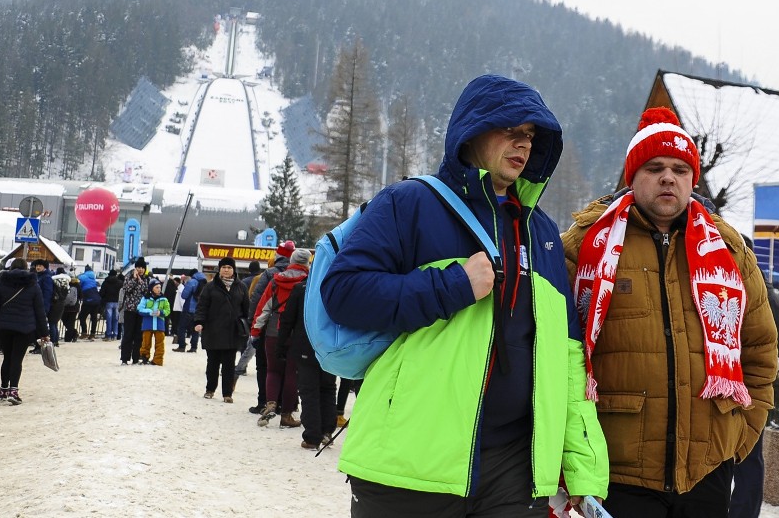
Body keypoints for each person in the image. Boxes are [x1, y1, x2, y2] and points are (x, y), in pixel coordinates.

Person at [322, 74, 609, 516]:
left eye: (531, 136)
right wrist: (453, 284)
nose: (524, 145)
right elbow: (343, 292)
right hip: (409, 464)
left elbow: (568, 363)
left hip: (514, 473)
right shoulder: (410, 204)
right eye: (511, 131)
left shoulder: (543, 234)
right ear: (472, 131)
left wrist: (583, 470)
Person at [561, 106, 778, 517]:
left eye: (680, 169)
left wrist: (739, 436)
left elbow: (760, 349)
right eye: (655, 167)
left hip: (706, 471)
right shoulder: (585, 246)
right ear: (632, 177)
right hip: (617, 471)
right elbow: (556, 351)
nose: (668, 178)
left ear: (692, 180)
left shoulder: (729, 253)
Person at [729, 237, 779, 518]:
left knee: (718, 456)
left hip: (729, 382)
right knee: (750, 458)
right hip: (758, 385)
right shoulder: (775, 299)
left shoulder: (733, 287)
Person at [250, 248, 311, 427]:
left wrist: (255, 331)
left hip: (273, 330)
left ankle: (270, 404)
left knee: (273, 370)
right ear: (307, 263)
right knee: (292, 372)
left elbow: (263, 308)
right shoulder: (309, 282)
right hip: (297, 331)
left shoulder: (276, 281)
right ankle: (286, 415)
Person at [277, 275, 337, 449]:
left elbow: (287, 319)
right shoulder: (335, 285)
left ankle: (312, 437)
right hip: (329, 346)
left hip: (305, 346)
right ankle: (327, 431)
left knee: (309, 391)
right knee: (328, 388)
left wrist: (281, 345)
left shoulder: (301, 289)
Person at [245, 240, 295, 414]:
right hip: (293, 329)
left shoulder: (269, 274)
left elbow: (258, 300)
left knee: (265, 367)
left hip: (269, 328)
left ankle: (264, 402)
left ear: (278, 256)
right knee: (288, 368)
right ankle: (286, 404)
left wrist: (253, 324)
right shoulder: (303, 276)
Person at [193, 257, 249, 403]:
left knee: (229, 364)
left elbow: (247, 309)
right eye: (223, 267)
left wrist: (247, 324)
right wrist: (199, 322)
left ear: (234, 269)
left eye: (229, 267)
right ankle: (210, 389)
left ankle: (227, 393)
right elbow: (202, 306)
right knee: (213, 362)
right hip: (213, 330)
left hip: (232, 331)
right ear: (219, 269)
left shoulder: (241, 287)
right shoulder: (210, 287)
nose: (226, 270)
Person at [0, 258, 50, 405]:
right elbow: (39, 311)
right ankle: (13, 391)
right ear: (27, 268)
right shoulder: (33, 284)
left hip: (4, 327)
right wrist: (44, 333)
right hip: (24, 327)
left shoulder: (2, 283)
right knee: (17, 359)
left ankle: (3, 390)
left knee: (7, 357)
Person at [120, 258, 150, 365]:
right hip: (130, 309)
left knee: (139, 335)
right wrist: (134, 279)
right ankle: (124, 358)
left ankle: (136, 358)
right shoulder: (128, 276)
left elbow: (146, 292)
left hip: (141, 310)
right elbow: (126, 289)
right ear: (135, 268)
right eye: (138, 267)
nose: (140, 270)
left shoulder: (146, 279)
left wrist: (141, 280)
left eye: (142, 268)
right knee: (128, 334)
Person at [137, 278, 170, 366]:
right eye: (157, 287)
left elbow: (168, 310)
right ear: (151, 288)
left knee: (160, 344)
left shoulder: (164, 299)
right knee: (146, 343)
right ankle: (144, 358)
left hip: (159, 325)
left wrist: (161, 313)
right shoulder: (145, 298)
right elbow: (140, 309)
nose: (159, 289)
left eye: (160, 287)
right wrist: (150, 312)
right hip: (147, 324)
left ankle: (157, 360)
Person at [175, 268, 206, 353]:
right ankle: (193, 347)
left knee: (181, 327)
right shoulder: (205, 282)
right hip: (199, 310)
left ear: (192, 275)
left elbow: (184, 295)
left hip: (188, 309)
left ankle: (181, 346)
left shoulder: (192, 282)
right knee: (195, 329)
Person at [29, 259, 54, 354]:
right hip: (36, 306)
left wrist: (44, 307)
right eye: (37, 265)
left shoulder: (46, 277)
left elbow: (47, 293)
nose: (38, 267)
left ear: (44, 267)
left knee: (40, 328)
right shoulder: (38, 276)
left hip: (42, 306)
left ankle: (40, 347)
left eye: (40, 265)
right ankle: (37, 346)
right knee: (36, 327)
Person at [78, 265, 102, 340]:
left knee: (82, 317)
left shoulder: (82, 277)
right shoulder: (93, 277)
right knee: (94, 318)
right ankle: (92, 334)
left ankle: (84, 332)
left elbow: (79, 285)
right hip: (96, 299)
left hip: (88, 299)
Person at [49, 267, 71, 346]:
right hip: (62, 303)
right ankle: (56, 340)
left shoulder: (53, 280)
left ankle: (53, 340)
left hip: (54, 303)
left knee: (51, 323)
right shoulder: (67, 281)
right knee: (55, 323)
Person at [99, 269, 123, 342]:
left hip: (108, 301)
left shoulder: (106, 282)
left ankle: (108, 335)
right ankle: (115, 335)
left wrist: (103, 299)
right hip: (117, 301)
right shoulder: (120, 283)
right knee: (116, 319)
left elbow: (102, 292)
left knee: (109, 319)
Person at [61, 276, 81, 342]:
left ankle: (69, 336)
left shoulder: (70, 288)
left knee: (65, 321)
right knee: (71, 322)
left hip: (68, 307)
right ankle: (73, 333)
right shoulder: (78, 288)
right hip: (75, 308)